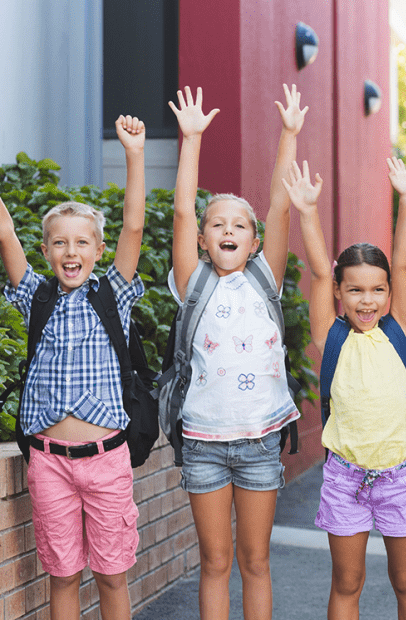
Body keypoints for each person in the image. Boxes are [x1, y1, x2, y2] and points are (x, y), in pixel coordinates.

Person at [0, 115, 146, 619]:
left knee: (110, 573)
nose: (71, 251)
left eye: (82, 242)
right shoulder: (36, 298)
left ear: (99, 251)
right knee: (62, 575)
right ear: (45, 251)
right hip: (50, 462)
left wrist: (133, 153)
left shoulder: (114, 295)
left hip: (106, 461)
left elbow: (133, 224)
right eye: (59, 242)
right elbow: (4, 232)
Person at [167, 85, 304, 620]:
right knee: (215, 561)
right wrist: (192, 138)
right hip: (202, 442)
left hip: (259, 441)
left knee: (256, 561)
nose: (228, 230)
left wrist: (289, 134)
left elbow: (280, 203)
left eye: (239, 226)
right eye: (217, 224)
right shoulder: (193, 281)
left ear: (254, 241)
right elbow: (181, 208)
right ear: (203, 240)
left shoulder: (264, 279)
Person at [283, 156, 406, 620]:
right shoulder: (332, 337)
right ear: (339, 295)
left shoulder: (398, 330)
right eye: (355, 291)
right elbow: (318, 270)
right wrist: (307, 212)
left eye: (376, 290)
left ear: (388, 293)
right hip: (345, 479)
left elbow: (403, 262)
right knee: (347, 583)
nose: (367, 300)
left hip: (401, 476)